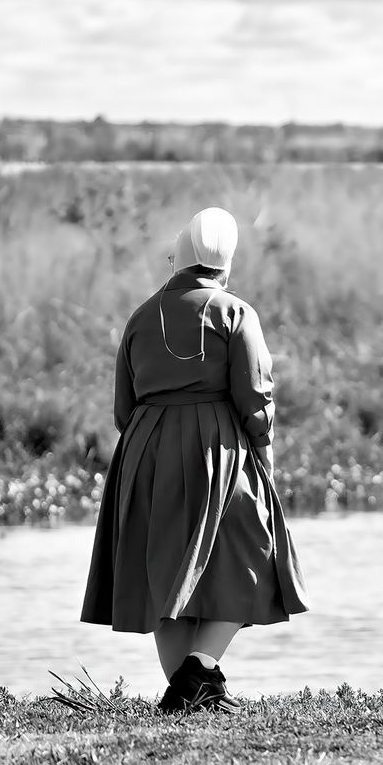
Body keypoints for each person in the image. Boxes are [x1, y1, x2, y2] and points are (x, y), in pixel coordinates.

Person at [81, 207, 309, 712]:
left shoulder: (141, 317)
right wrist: (264, 456)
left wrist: (152, 442)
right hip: (219, 449)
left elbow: (123, 409)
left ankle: (189, 692)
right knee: (253, 550)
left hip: (145, 451)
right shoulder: (236, 313)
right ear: (227, 264)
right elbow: (255, 398)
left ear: (177, 259)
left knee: (163, 570)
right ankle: (200, 672)